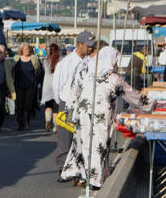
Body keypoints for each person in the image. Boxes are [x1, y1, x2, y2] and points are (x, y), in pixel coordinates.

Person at [60, 47, 155, 188]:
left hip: (83, 114)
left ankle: (80, 174)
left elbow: (74, 91)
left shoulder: (87, 72)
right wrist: (152, 104)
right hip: (100, 116)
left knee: (82, 143)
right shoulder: (113, 78)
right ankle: (94, 180)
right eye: (116, 61)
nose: (116, 64)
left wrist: (72, 109)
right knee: (99, 144)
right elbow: (132, 95)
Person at [52, 30, 95, 180]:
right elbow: (57, 85)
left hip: (83, 103)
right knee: (66, 137)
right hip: (68, 102)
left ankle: (79, 167)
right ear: (80, 44)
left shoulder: (90, 62)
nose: (90, 48)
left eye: (92, 46)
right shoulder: (66, 63)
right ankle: (63, 168)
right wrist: (62, 103)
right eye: (88, 46)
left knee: (82, 136)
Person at [13, 43, 42, 131]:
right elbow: (12, 71)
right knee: (19, 105)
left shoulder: (34, 58)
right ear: (21, 50)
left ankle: (26, 123)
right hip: (18, 85)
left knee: (28, 105)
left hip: (31, 85)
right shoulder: (16, 59)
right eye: (25, 49)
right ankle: (20, 123)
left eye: (28, 49)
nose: (27, 51)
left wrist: (35, 82)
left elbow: (38, 70)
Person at [41, 44, 60, 132]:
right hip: (56, 85)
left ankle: (47, 121)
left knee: (48, 105)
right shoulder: (60, 61)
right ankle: (55, 126)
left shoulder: (45, 61)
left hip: (47, 84)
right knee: (56, 107)